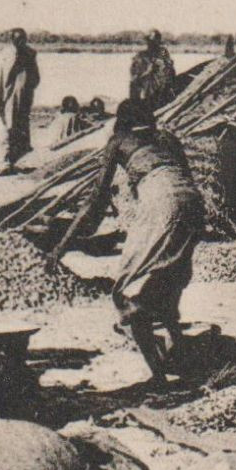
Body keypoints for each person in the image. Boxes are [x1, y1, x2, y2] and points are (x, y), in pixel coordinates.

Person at [79, 99, 202, 385]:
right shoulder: (167, 138)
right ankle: (179, 352)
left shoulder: (120, 140)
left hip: (164, 203)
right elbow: (183, 175)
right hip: (192, 202)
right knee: (170, 277)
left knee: (127, 290)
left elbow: (97, 198)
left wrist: (74, 238)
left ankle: (158, 375)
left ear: (122, 121)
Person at [0, 27, 40, 173]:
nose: (21, 43)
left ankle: (17, 161)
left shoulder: (30, 54)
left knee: (20, 129)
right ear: (12, 41)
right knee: (5, 129)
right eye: (18, 40)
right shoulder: (5, 55)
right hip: (6, 99)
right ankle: (4, 163)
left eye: (23, 40)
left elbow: (35, 79)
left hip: (22, 100)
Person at [129, 29, 177, 109]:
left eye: (155, 41)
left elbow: (168, 66)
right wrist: (148, 71)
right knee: (135, 84)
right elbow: (134, 75)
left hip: (160, 83)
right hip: (146, 83)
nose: (151, 43)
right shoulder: (141, 55)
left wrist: (166, 65)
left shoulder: (162, 51)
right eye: (150, 41)